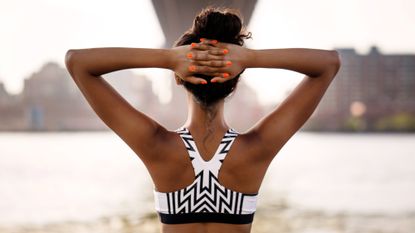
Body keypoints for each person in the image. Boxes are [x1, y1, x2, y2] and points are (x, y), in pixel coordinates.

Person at [65, 7, 340, 233]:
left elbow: (77, 62)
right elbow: (328, 63)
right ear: (235, 83)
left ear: (179, 79)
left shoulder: (156, 146)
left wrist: (168, 58)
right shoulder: (256, 150)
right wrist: (250, 57)